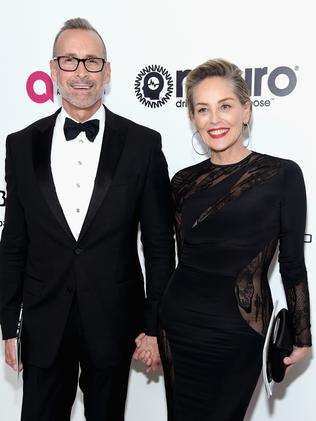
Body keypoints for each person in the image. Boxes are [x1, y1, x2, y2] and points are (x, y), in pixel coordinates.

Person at [0, 18, 174, 421]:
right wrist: (9, 323)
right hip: (44, 324)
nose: (81, 72)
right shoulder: (21, 144)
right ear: (53, 69)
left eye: (92, 62)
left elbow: (160, 244)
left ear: (108, 72)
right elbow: (14, 241)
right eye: (70, 60)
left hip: (115, 323)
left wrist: (154, 324)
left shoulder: (143, 144)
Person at [156, 59, 312, 421]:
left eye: (225, 106)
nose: (215, 120)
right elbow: (178, 257)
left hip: (240, 330)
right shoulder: (182, 182)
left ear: (246, 110)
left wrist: (302, 335)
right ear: (192, 118)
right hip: (179, 326)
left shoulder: (282, 174)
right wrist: (152, 326)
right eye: (203, 110)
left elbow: (291, 262)